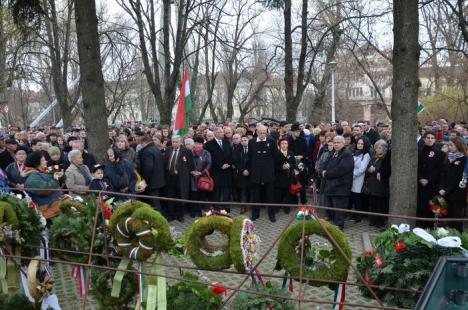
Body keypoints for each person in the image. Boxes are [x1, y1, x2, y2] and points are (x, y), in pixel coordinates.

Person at [248, 125, 279, 222]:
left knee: (270, 196)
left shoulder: (272, 142)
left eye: (264, 133)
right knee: (256, 196)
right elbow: (250, 157)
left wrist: (272, 170)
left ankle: (272, 214)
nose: (262, 135)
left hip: (268, 173)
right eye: (260, 133)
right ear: (257, 132)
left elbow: (276, 157)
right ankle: (255, 214)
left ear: (267, 132)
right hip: (256, 173)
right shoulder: (252, 142)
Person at [322, 136, 354, 230]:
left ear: (343, 143)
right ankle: (334, 226)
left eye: (338, 142)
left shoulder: (347, 154)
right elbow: (328, 165)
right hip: (332, 187)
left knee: (339, 210)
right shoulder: (334, 153)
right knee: (333, 209)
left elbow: (341, 169)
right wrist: (324, 171)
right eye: (334, 142)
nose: (336, 144)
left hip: (341, 188)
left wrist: (327, 174)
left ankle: (339, 227)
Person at [416, 131, 445, 228]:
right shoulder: (418, 151)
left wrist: (428, 179)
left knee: (431, 209)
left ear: (435, 140)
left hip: (433, 186)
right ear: (424, 139)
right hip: (420, 185)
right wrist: (420, 178)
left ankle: (430, 228)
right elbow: (417, 167)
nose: (430, 140)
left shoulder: (440, 153)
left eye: (432, 138)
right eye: (428, 138)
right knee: (420, 208)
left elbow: (439, 170)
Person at [439, 137, 467, 231]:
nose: (449, 147)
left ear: (458, 145)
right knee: (447, 216)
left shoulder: (464, 159)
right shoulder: (447, 157)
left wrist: (446, 190)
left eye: (451, 145)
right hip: (445, 193)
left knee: (456, 217)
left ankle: (457, 236)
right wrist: (441, 188)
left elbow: (458, 178)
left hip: (457, 193)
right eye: (448, 145)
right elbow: (442, 174)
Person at [164, 135, 194, 222]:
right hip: (169, 177)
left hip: (181, 178)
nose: (174, 144)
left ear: (181, 142)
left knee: (180, 195)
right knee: (170, 195)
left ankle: (180, 215)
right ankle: (171, 215)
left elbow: (191, 165)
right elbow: (165, 162)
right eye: (173, 142)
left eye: (176, 142)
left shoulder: (186, 151)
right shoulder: (168, 149)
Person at [203, 127, 233, 211]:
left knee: (227, 189)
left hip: (227, 170)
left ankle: (226, 206)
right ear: (215, 133)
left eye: (222, 132)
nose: (222, 134)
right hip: (216, 170)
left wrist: (228, 164)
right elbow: (210, 158)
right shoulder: (209, 144)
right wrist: (220, 165)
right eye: (220, 132)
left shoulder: (226, 142)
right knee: (217, 190)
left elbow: (230, 154)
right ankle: (217, 206)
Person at [366, 140, 390, 228]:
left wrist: (375, 170)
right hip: (372, 184)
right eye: (376, 148)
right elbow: (368, 168)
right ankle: (372, 220)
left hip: (381, 186)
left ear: (384, 149)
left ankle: (380, 222)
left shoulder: (385, 159)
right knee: (372, 204)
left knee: (380, 205)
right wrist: (369, 169)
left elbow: (384, 171)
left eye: (380, 148)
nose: (377, 149)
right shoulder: (373, 158)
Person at [138, 135, 166, 210]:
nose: (141, 146)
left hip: (152, 181)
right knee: (157, 200)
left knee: (154, 202)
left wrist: (145, 179)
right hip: (159, 180)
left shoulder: (147, 152)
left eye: (141, 144)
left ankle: (158, 218)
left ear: (144, 143)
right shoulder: (155, 149)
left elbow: (148, 167)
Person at [189, 136, 212, 217]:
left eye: (199, 144)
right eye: (196, 143)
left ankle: (200, 211)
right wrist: (191, 171)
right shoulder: (190, 152)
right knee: (193, 195)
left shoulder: (206, 153)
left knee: (202, 195)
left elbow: (209, 165)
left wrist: (201, 173)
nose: (198, 145)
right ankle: (193, 211)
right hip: (192, 177)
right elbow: (187, 164)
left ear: (202, 144)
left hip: (202, 178)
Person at [351, 137, 371, 223]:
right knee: (353, 196)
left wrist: (354, 175)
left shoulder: (366, 155)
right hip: (351, 178)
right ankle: (354, 214)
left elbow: (362, 169)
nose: (359, 145)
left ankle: (358, 216)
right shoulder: (354, 153)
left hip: (359, 179)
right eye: (358, 143)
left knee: (357, 198)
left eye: (361, 144)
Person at [275, 138, 297, 214]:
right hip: (279, 177)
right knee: (278, 194)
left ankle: (286, 208)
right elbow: (274, 166)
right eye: (282, 143)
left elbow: (294, 165)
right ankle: (277, 208)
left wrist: (290, 165)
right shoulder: (276, 153)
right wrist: (282, 167)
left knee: (287, 194)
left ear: (287, 145)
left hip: (288, 177)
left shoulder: (291, 153)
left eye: (285, 143)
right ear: (280, 145)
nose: (284, 145)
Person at [232, 135, 250, 214]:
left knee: (252, 190)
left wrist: (249, 170)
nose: (243, 142)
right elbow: (236, 161)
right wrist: (242, 170)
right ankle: (243, 207)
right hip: (241, 173)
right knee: (243, 190)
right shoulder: (237, 150)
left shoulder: (252, 149)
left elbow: (253, 160)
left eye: (245, 140)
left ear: (248, 141)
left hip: (251, 173)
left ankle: (254, 205)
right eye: (242, 140)